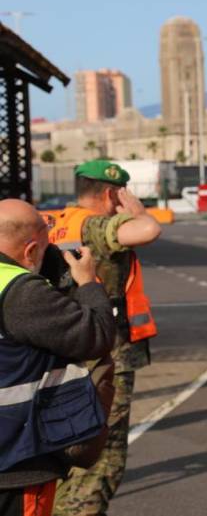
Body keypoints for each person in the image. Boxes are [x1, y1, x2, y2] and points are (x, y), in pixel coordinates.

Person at [49, 160, 162, 516]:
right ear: (113, 193)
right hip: (103, 353)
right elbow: (147, 231)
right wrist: (138, 212)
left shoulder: (52, 221)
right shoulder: (94, 225)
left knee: (60, 442)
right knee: (103, 453)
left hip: (58, 346)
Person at [0, 200, 115, 516]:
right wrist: (88, 282)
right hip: (16, 463)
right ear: (31, 250)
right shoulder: (21, 292)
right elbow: (95, 336)